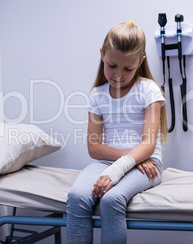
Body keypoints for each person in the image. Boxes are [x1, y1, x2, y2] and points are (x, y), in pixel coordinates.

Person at [66, 21, 168, 244]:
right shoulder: (97, 95)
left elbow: (148, 145)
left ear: (140, 62)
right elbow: (94, 148)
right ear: (102, 55)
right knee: (76, 196)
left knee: (111, 200)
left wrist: (124, 167)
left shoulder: (148, 89)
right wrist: (130, 160)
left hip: (149, 165)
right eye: (112, 65)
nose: (119, 75)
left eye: (128, 69)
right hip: (117, 162)